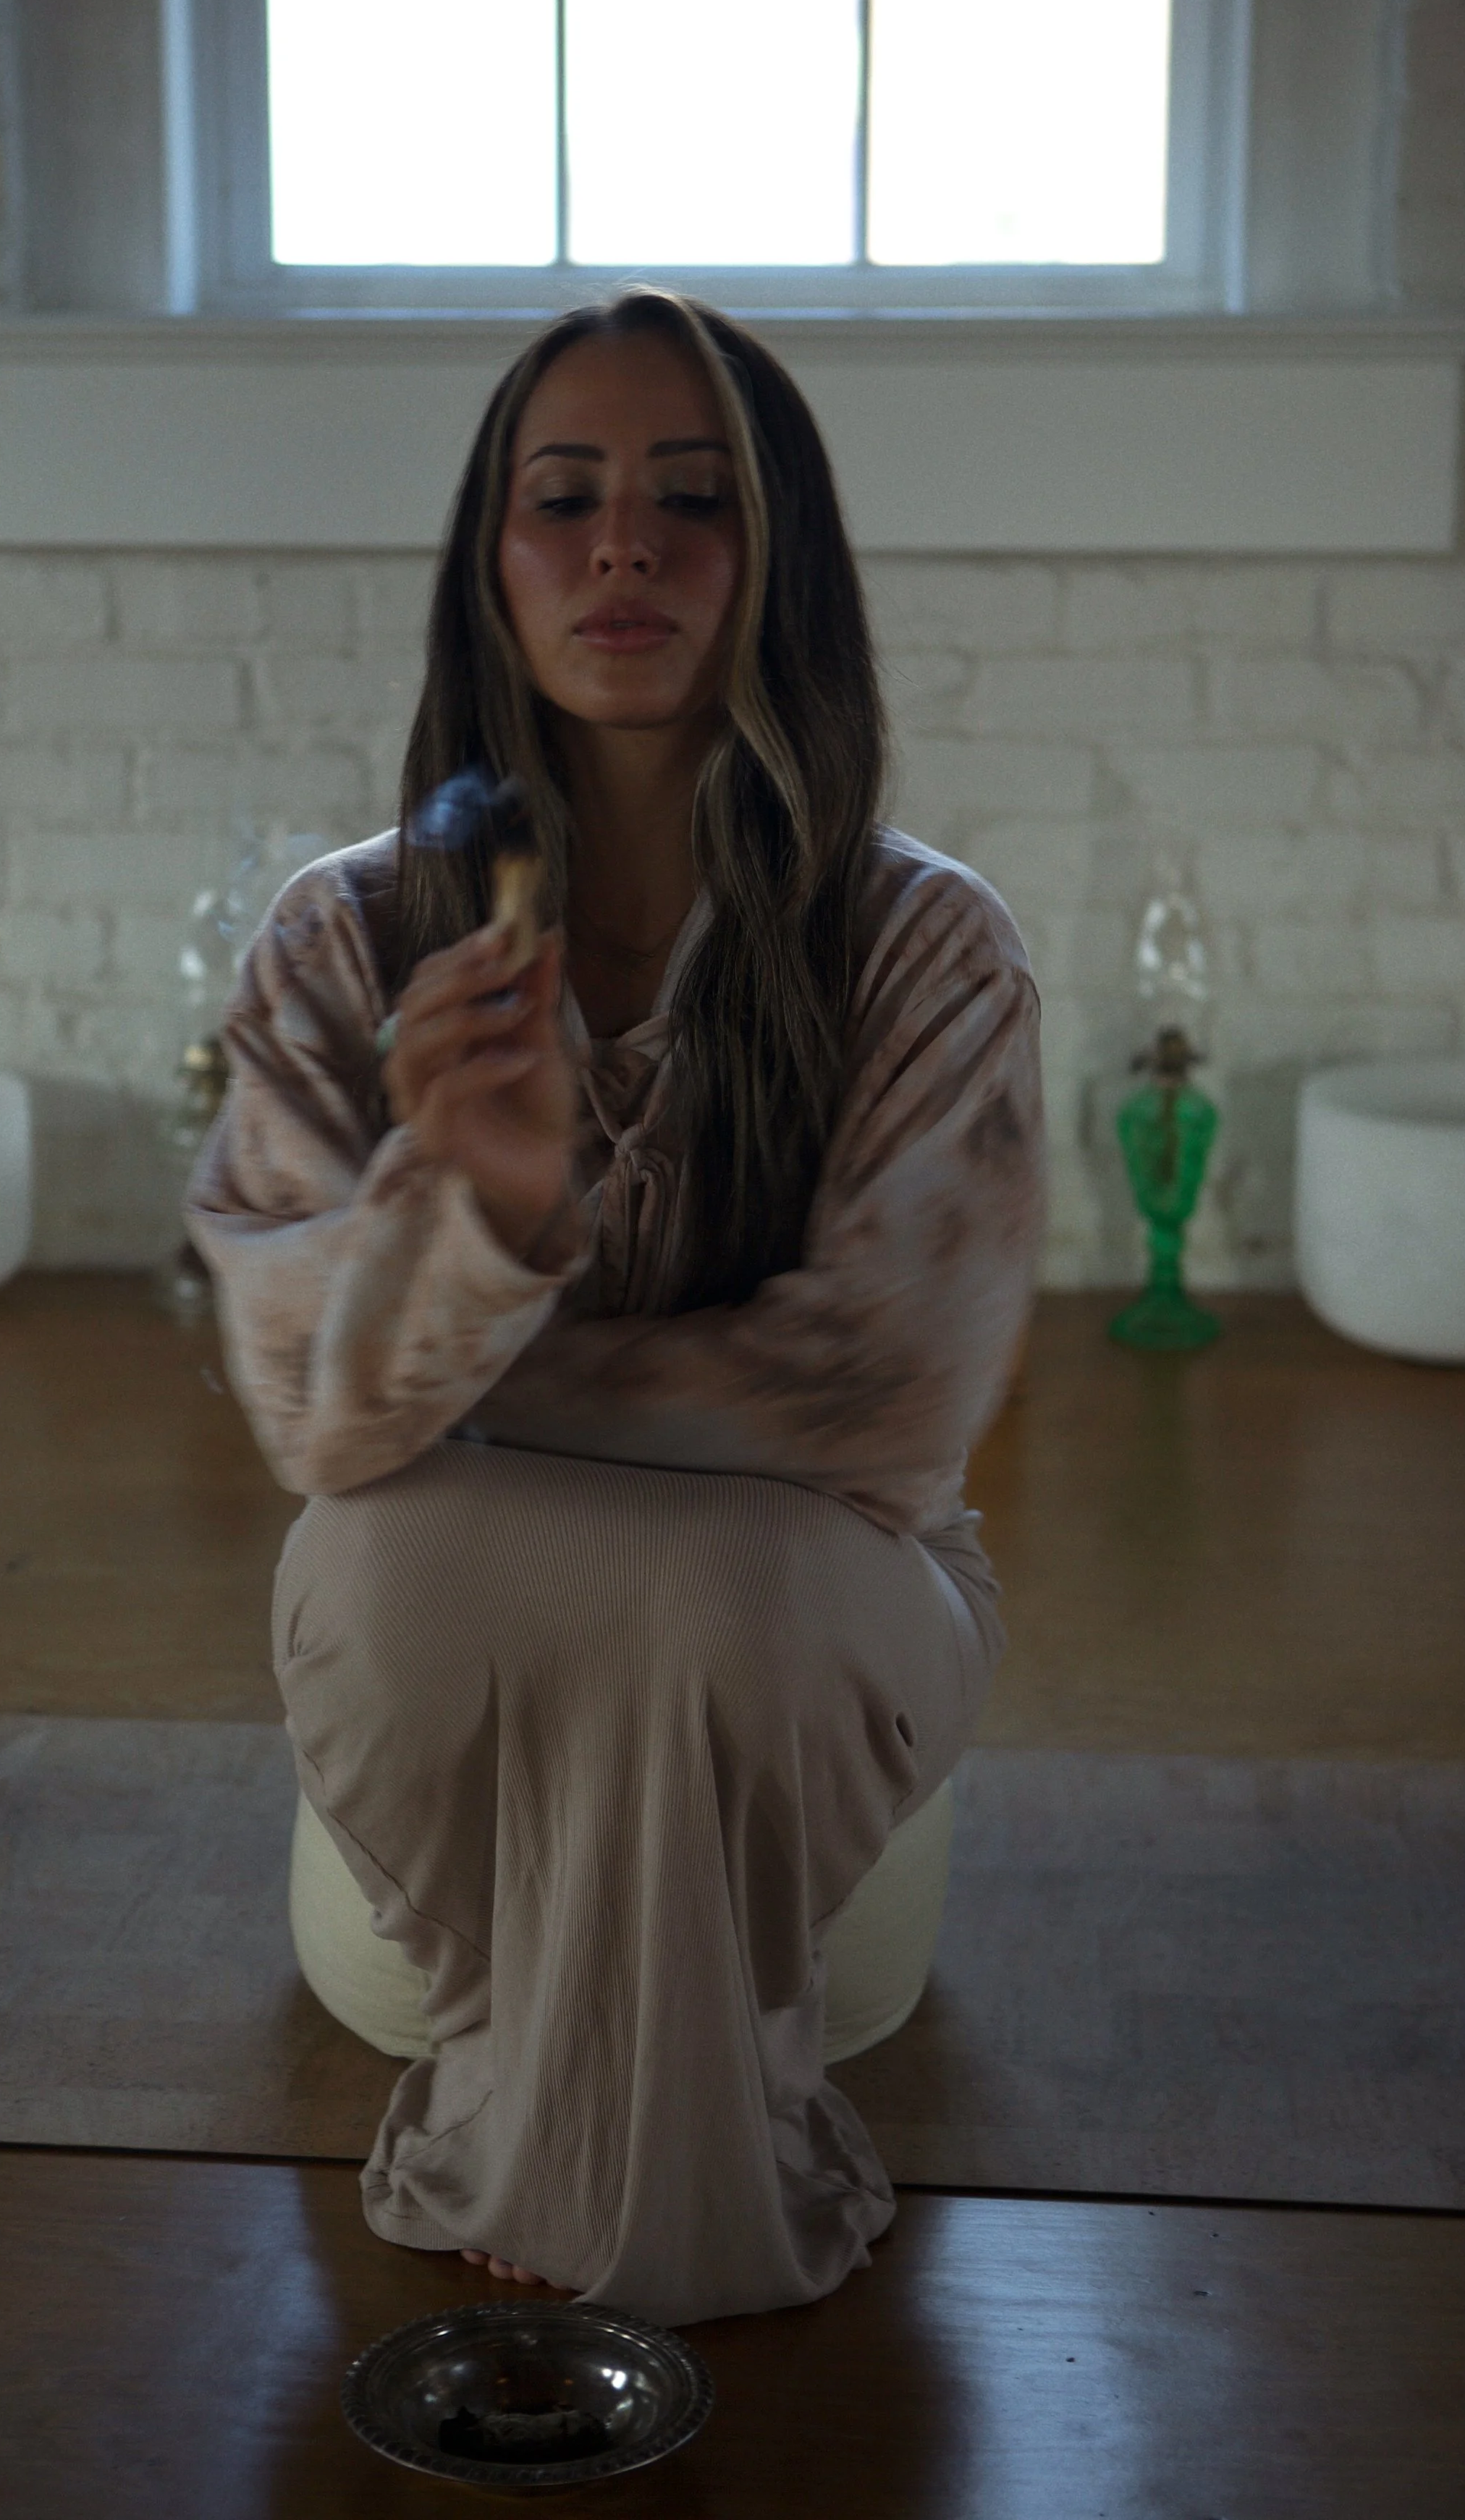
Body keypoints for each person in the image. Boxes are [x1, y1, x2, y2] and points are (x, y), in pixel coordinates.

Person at [187, 289, 1044, 2327]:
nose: (624, 547)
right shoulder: (346, 939)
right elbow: (312, 1422)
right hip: (477, 1632)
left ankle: (578, 2142)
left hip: (807, 1623)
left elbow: (883, 1405)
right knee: (382, 1554)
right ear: (489, 562)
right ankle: (570, 2077)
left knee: (722, 1583)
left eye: (694, 498)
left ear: (779, 555)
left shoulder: (927, 950)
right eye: (562, 497)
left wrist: (476, 1347)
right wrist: (480, 1206)